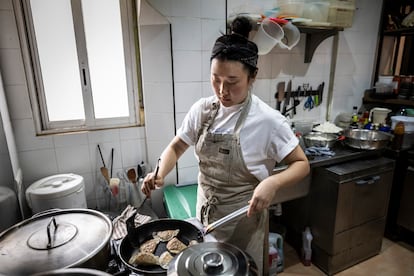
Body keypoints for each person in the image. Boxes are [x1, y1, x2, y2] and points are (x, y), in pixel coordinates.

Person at [141, 16, 310, 274]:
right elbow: (176, 146)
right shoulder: (203, 110)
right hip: (204, 218)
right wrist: (160, 172)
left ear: (253, 77)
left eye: (232, 82)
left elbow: (301, 164)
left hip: (242, 224)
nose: (222, 90)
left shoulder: (268, 122)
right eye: (215, 79)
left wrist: (272, 183)